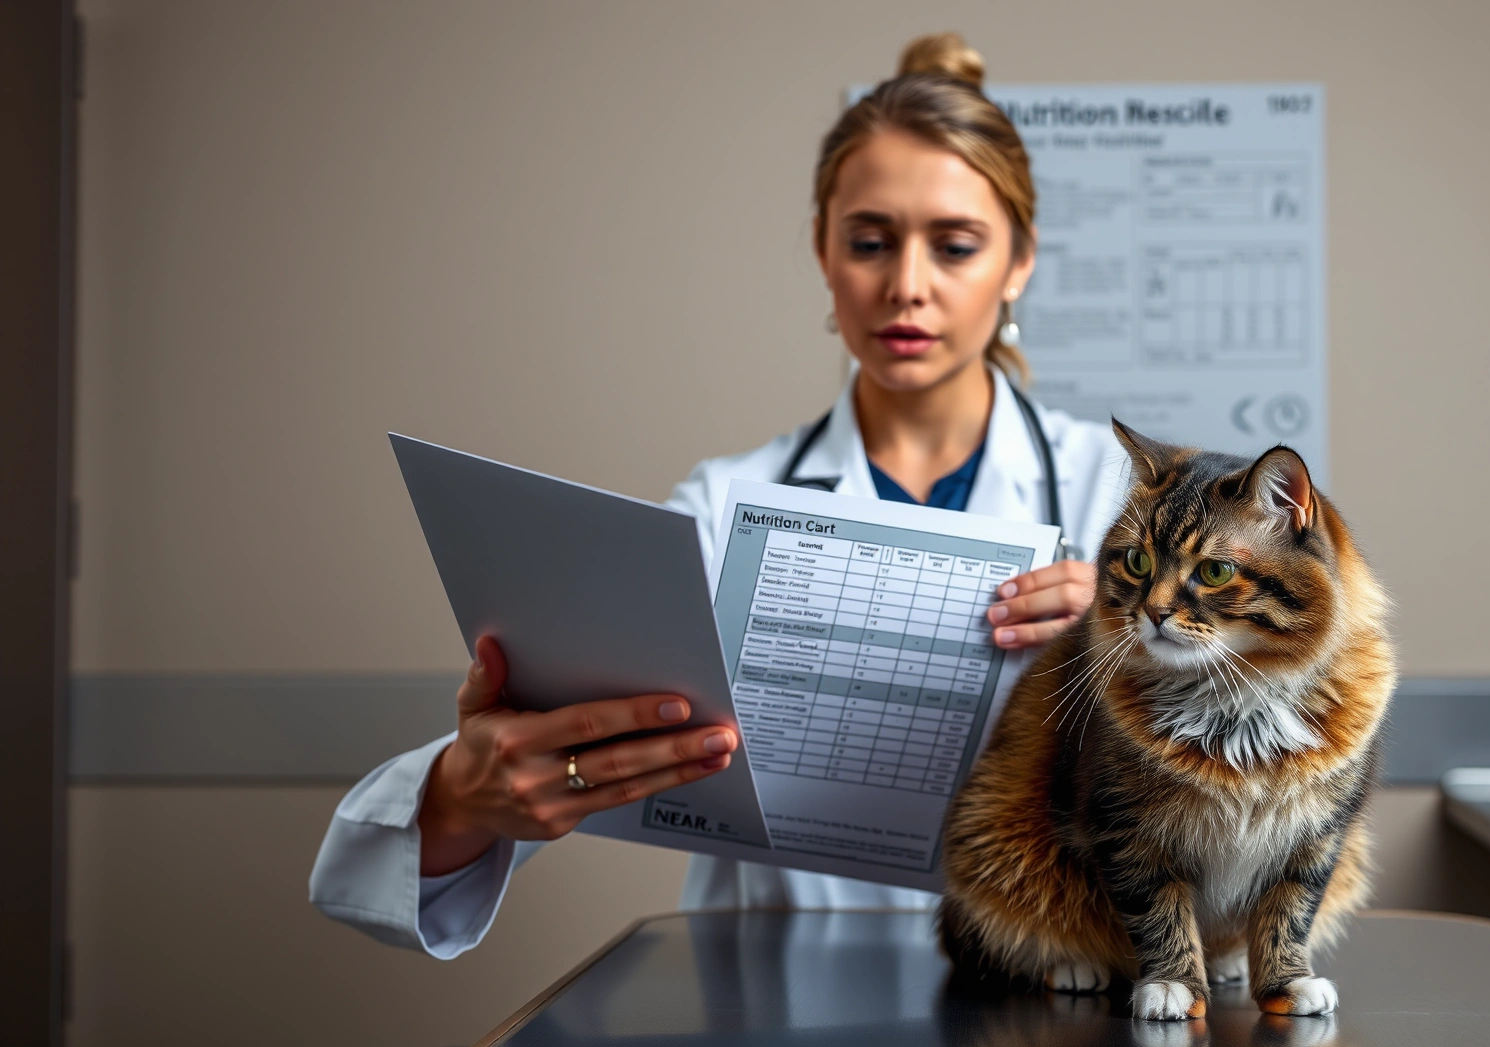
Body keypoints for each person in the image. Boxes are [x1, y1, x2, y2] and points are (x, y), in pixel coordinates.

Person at [310, 32, 1127, 957]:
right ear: (823, 252)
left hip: (1056, 1002)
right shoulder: (719, 511)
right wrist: (466, 794)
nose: (907, 286)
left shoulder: (1127, 506)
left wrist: (1141, 659)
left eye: (955, 246)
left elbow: (1287, 786)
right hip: (769, 1009)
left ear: (1019, 262)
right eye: (869, 241)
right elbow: (543, 769)